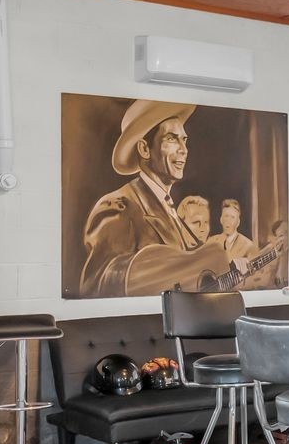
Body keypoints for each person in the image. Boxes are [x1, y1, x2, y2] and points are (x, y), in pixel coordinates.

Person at [78, 100, 261, 298]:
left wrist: (228, 271)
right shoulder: (119, 206)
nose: (184, 149)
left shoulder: (174, 214)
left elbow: (191, 278)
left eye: (184, 140)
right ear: (144, 149)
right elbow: (97, 285)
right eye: (173, 139)